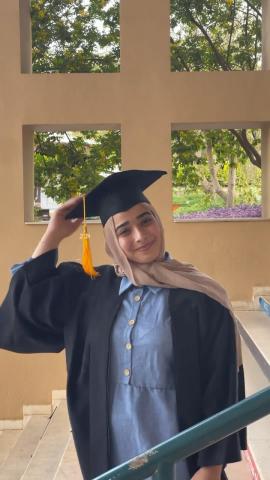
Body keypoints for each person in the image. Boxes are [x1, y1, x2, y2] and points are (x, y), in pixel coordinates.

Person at [0, 170, 246, 480]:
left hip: (184, 465)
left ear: (158, 220)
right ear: (110, 241)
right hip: (113, 459)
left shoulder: (202, 298)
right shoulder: (89, 290)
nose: (140, 236)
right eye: (124, 230)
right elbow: (25, 308)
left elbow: (220, 388)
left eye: (146, 220)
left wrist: (210, 469)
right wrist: (53, 234)